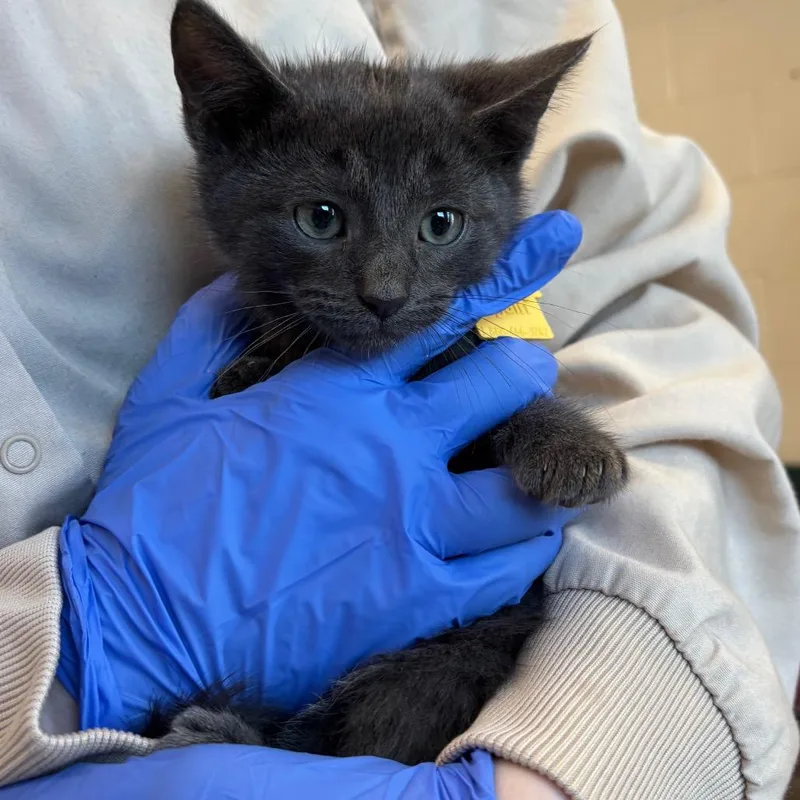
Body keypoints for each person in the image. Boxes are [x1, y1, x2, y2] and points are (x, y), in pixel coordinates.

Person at [0, 1, 797, 798]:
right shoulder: (227, 340)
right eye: (323, 218)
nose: (384, 287)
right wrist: (93, 637)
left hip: (483, 709)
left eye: (440, 224)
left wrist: (569, 766)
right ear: (223, 133)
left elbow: (652, 332)